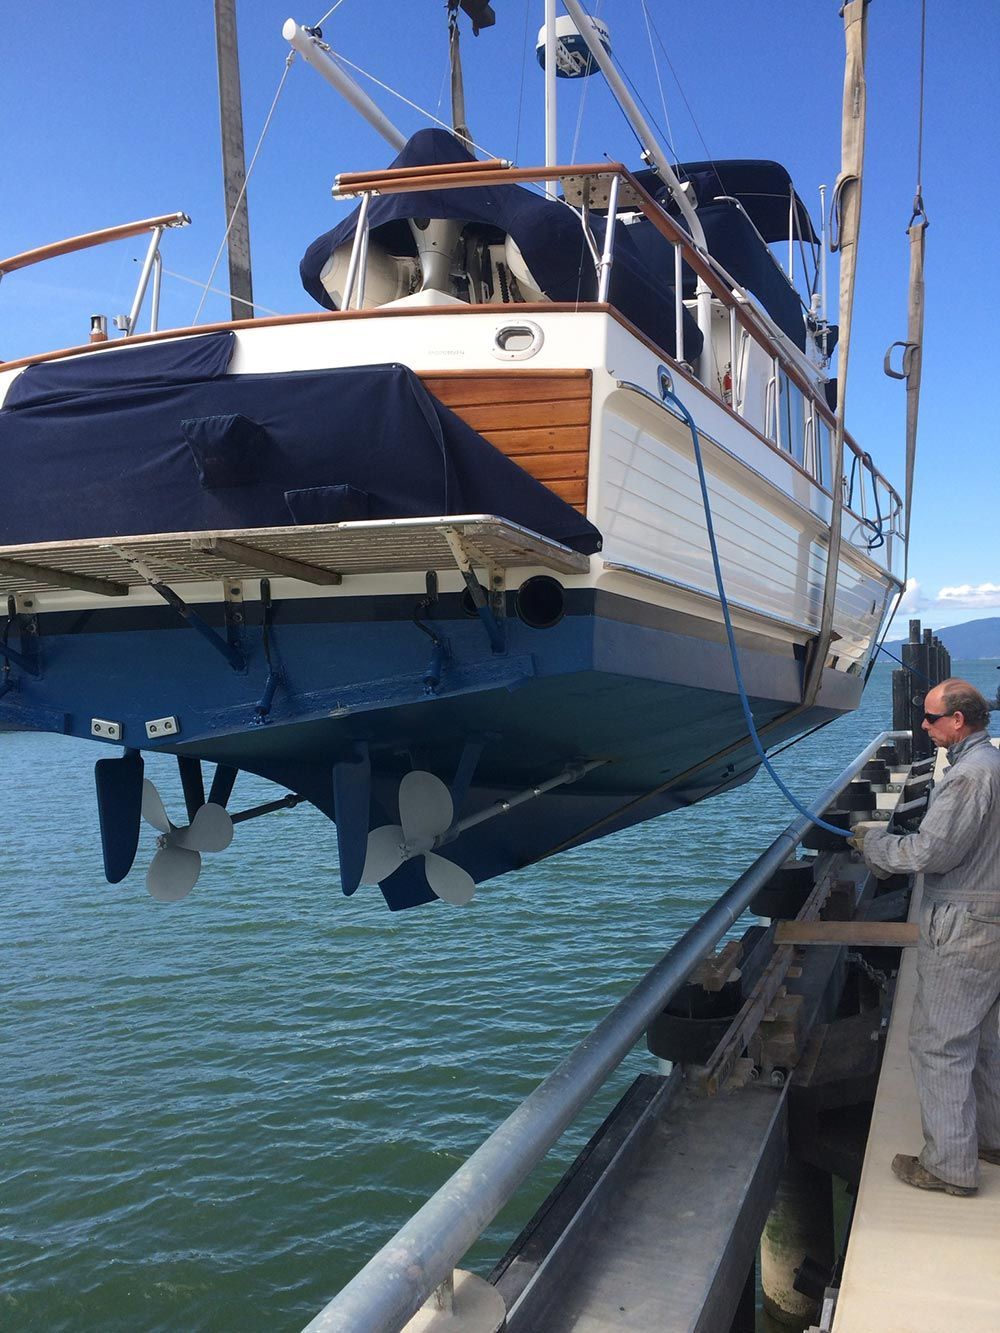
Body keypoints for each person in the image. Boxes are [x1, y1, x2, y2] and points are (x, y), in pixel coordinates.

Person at [855, 677, 1000, 1196]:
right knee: (984, 1038)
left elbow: (927, 855)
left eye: (931, 718)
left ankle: (949, 1167)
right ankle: (990, 1138)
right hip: (992, 916)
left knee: (940, 1044)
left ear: (958, 721)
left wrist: (875, 846)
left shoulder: (968, 778)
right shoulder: (993, 766)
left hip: (966, 925)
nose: (923, 725)